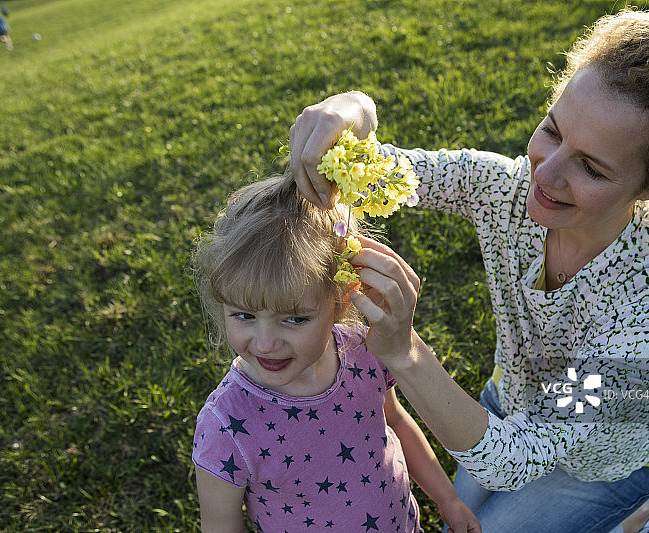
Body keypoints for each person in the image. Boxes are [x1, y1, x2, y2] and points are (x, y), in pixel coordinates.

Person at [286, 7, 649, 533]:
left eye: (591, 167)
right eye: (552, 130)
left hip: (602, 461)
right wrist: (350, 108)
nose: (545, 173)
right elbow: (384, 172)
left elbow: (517, 458)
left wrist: (403, 351)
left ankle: (647, 508)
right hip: (507, 402)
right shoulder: (502, 188)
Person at [190, 175, 480, 532]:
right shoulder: (226, 425)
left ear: (341, 299)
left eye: (294, 318)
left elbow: (396, 422)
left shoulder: (365, 352)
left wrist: (448, 499)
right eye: (244, 316)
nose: (265, 343)